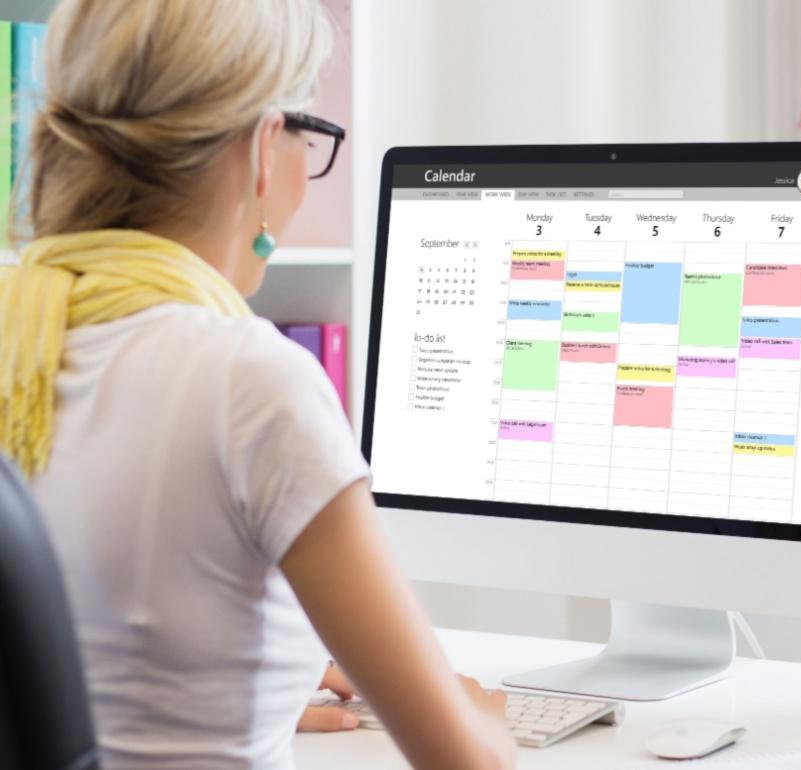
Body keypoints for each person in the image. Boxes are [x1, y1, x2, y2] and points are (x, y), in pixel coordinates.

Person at [0, 1, 516, 768]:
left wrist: (266, 678)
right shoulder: (250, 381)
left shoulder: (20, 330)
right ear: (267, 147)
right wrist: (479, 718)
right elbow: (467, 760)